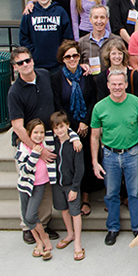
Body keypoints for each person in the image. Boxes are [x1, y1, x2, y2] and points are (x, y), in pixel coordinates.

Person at [7, 47, 61, 244]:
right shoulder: (15, 92)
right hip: (27, 143)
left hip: (46, 136)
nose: (25, 65)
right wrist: (38, 150)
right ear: (15, 67)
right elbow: (18, 127)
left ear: (32, 60)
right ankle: (28, 226)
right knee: (28, 185)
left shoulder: (45, 75)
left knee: (45, 185)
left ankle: (43, 223)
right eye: (20, 63)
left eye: (27, 60)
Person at [90, 70, 138, 246]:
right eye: (113, 84)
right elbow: (94, 136)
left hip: (132, 153)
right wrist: (95, 161)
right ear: (108, 85)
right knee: (111, 193)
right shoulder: (100, 107)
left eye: (120, 83)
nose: (117, 87)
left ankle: (137, 228)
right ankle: (113, 228)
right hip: (110, 155)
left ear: (126, 84)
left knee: (135, 193)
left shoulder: (137, 104)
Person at [51, 40, 101, 217]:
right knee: (71, 163)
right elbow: (58, 103)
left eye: (75, 55)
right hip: (67, 129)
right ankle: (74, 194)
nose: (72, 59)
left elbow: (92, 100)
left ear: (79, 57)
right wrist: (72, 126)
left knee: (86, 162)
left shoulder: (86, 75)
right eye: (68, 56)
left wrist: (85, 122)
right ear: (62, 59)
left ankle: (86, 197)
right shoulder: (56, 78)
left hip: (86, 127)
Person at [15, 119, 54, 260]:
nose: (39, 135)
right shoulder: (23, 148)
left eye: (41, 132)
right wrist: (35, 155)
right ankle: (39, 242)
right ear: (29, 134)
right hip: (25, 186)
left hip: (39, 185)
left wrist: (75, 139)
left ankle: (44, 238)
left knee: (31, 215)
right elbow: (25, 169)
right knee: (26, 216)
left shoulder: (47, 142)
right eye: (35, 132)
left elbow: (64, 132)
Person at [50, 111, 85, 260]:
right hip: (57, 184)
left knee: (75, 212)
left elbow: (80, 169)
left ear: (68, 126)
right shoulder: (52, 142)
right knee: (63, 210)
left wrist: (75, 188)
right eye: (56, 128)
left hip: (71, 184)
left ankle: (78, 242)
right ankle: (69, 234)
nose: (59, 130)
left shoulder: (75, 145)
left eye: (62, 127)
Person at [20, 0, 73, 72]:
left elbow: (67, 36)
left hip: (57, 63)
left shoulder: (60, 11)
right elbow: (24, 36)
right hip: (37, 63)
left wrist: (62, 52)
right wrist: (33, 52)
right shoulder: (29, 13)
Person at [78, 4, 120, 76]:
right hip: (90, 84)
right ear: (90, 19)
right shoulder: (82, 42)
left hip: (112, 84)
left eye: (102, 17)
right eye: (96, 17)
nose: (99, 21)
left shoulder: (116, 40)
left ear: (107, 20)